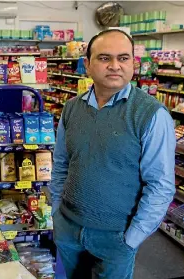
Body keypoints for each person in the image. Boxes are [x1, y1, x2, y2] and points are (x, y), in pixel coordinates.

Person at [50, 29, 176, 279]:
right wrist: (57, 212)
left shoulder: (151, 114)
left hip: (116, 238)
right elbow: (61, 165)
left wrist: (132, 239)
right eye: (105, 58)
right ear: (87, 65)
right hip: (68, 228)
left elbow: (160, 185)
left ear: (133, 63)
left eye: (124, 58)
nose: (115, 66)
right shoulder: (72, 109)